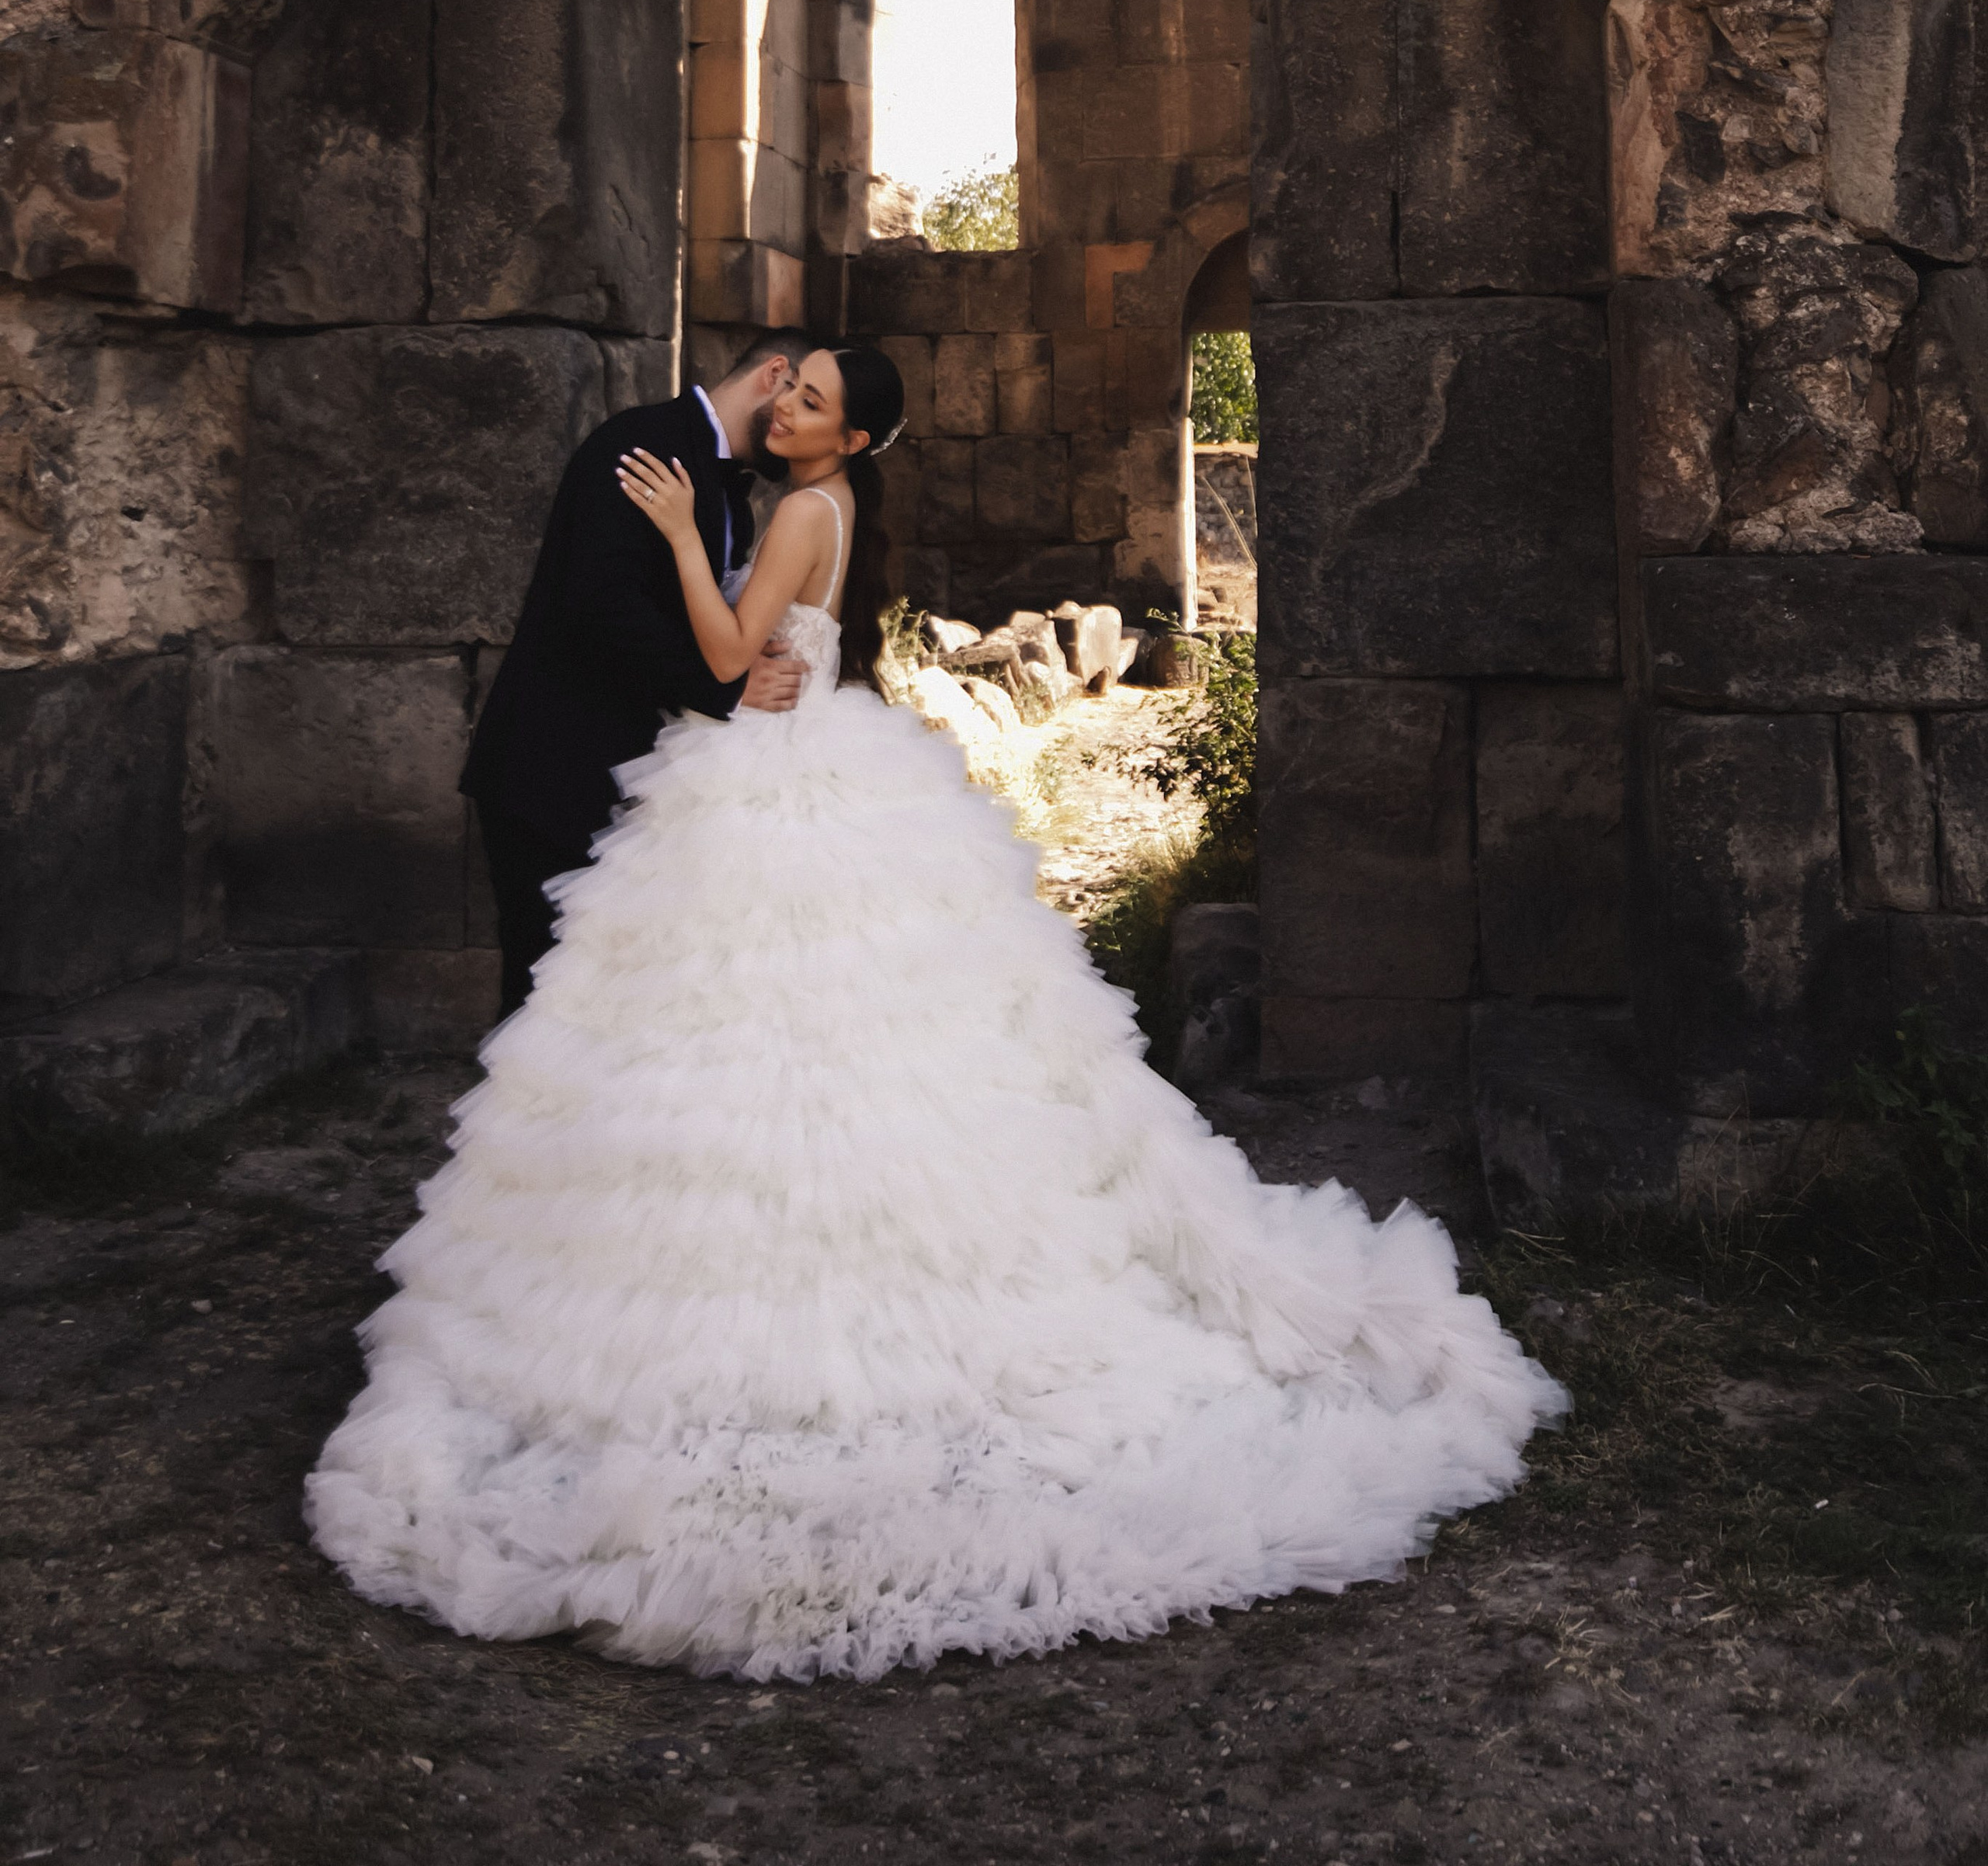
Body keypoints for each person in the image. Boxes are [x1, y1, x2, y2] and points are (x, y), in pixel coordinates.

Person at [309, 344, 1566, 1683]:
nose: (787, 407)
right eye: (788, 391)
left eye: (814, 405)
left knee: (774, 1028)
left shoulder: (792, 509)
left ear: (849, 446)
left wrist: (680, 535)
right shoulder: (821, 506)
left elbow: (735, 653)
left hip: (766, 770)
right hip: (798, 761)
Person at [461, 327, 818, 1018]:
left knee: (606, 1003)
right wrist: (727, 688)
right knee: (546, 998)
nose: (797, 425)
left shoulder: (733, 498)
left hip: (632, 774)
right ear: (774, 374)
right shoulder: (644, 443)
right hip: (553, 767)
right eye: (800, 399)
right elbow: (600, 604)